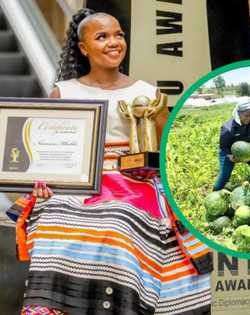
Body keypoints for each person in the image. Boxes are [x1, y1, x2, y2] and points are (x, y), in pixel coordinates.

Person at [16, 9, 212, 315]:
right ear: (84, 48)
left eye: (118, 34)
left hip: (134, 185)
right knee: (54, 212)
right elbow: (43, 154)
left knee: (118, 220)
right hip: (78, 183)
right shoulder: (64, 92)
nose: (114, 42)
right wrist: (42, 181)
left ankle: (121, 306)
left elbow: (169, 152)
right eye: (102, 36)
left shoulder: (147, 93)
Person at [213, 100, 250, 191]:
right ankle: (215, 191)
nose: (249, 118)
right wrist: (230, 156)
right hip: (228, 153)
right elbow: (223, 147)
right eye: (246, 115)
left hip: (247, 151)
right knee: (224, 176)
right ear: (238, 113)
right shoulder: (227, 129)